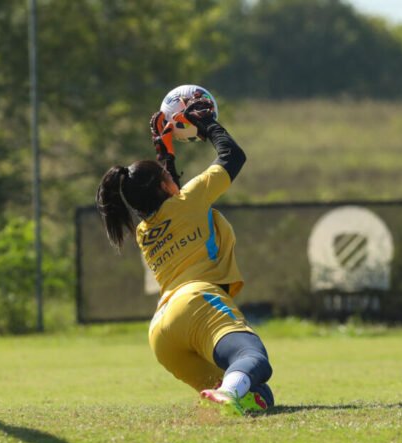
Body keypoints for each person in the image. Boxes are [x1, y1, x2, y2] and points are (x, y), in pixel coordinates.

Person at [95, 91, 273, 416]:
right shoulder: (188, 201)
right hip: (196, 302)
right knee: (253, 357)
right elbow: (233, 156)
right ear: (166, 186)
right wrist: (206, 124)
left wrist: (166, 154)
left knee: (260, 395)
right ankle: (230, 392)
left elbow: (168, 200)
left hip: (163, 334)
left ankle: (230, 393)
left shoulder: (143, 231)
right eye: (167, 177)